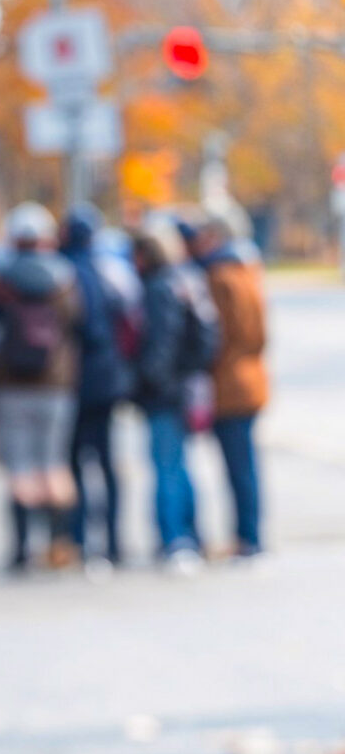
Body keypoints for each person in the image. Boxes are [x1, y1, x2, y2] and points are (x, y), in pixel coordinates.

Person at [0, 202, 83, 572]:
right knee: (54, 466)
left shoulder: (1, 283)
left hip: (11, 387)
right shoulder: (66, 280)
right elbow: (79, 326)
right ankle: (59, 542)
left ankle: (21, 548)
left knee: (19, 470)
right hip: (56, 386)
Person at [130, 226, 210, 572]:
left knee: (166, 467)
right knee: (180, 465)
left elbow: (163, 340)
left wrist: (150, 379)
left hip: (166, 390)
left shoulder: (160, 286)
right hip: (187, 385)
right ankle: (191, 536)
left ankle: (175, 540)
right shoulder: (189, 279)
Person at [60, 207, 136, 571]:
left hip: (73, 381)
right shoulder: (111, 272)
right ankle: (113, 540)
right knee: (105, 463)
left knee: (76, 462)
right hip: (106, 379)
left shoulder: (63, 272)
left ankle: (78, 539)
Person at [190, 209, 269, 558]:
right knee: (245, 464)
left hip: (230, 381)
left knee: (238, 465)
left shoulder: (220, 275)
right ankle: (249, 535)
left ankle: (248, 538)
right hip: (250, 376)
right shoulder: (248, 268)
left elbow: (217, 334)